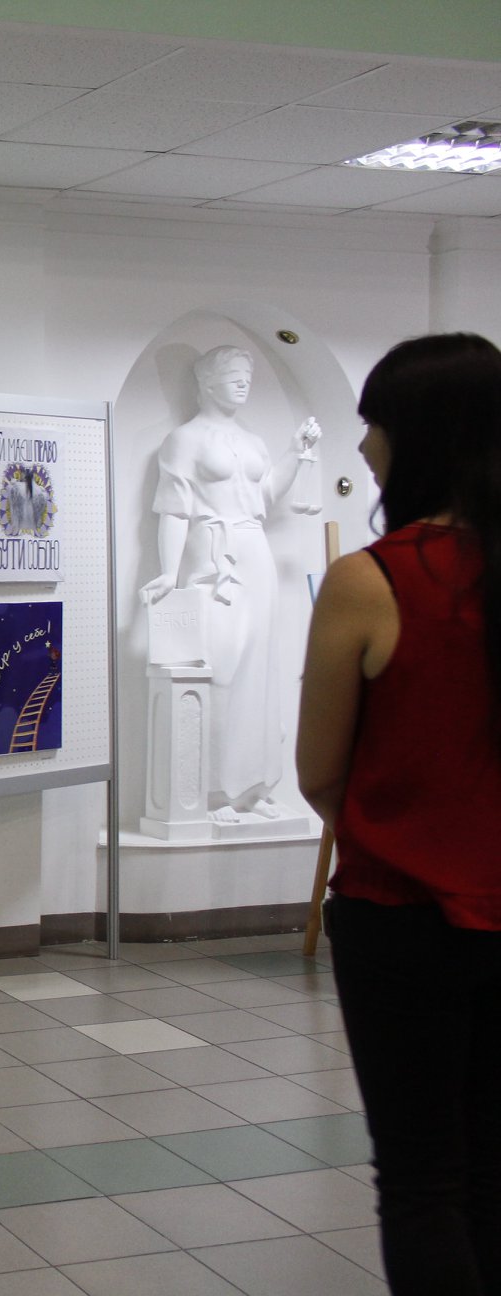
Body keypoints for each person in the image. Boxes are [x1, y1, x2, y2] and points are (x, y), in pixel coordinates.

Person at [296, 332, 501, 1295]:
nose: (364, 446)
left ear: (421, 435)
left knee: (422, 1179)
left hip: (403, 914)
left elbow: (319, 771)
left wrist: (399, 821)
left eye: (374, 423)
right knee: (492, 1169)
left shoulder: (373, 579)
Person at [142, 345, 321, 822]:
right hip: (210, 553)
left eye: (247, 376)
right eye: (233, 375)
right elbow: (174, 509)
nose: (243, 383)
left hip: (254, 549)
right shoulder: (184, 439)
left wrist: (296, 452)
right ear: (206, 381)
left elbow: (266, 494)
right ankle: (212, 790)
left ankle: (252, 787)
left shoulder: (253, 441)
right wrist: (170, 572)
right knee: (219, 663)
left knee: (260, 668)